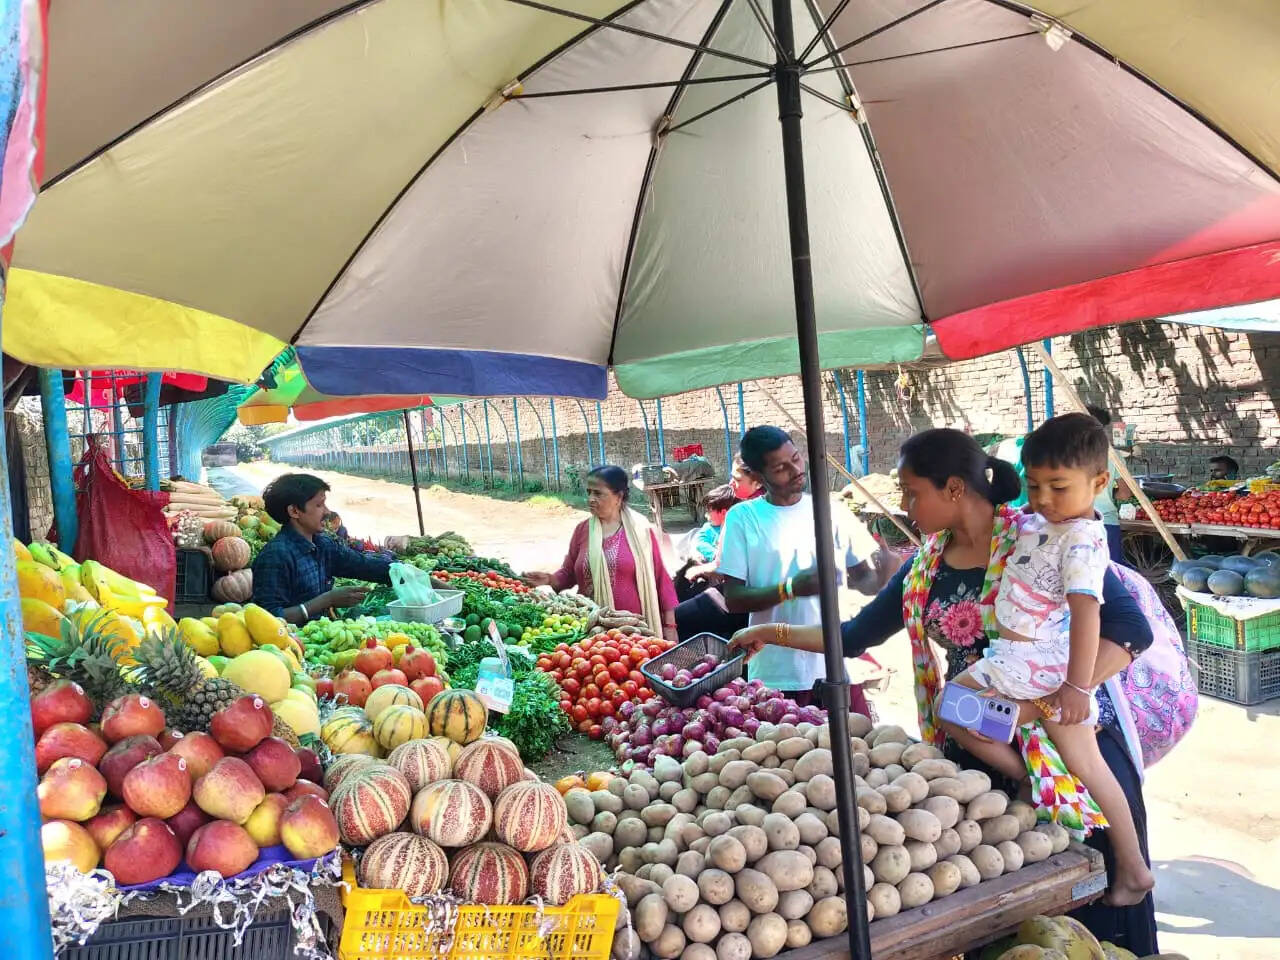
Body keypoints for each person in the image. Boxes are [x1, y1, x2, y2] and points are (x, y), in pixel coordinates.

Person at [728, 428, 1159, 953]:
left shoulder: (1045, 537)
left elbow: (1132, 631)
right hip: (985, 761)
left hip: (1065, 742)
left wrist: (1039, 706)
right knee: (1008, 931)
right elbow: (855, 636)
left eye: (913, 492)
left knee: (1094, 926)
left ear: (954, 489)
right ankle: (1026, 781)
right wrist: (769, 631)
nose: (906, 506)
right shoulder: (922, 568)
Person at [946, 413, 1154, 906]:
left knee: (1087, 765)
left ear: (1099, 483)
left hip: (1041, 661)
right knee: (958, 712)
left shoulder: (1082, 540)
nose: (1042, 499)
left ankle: (1133, 867)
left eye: (1058, 487)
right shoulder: (1041, 522)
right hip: (1015, 656)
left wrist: (1078, 688)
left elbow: (1088, 616)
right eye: (1035, 485)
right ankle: (1028, 773)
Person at [717, 426, 895, 714]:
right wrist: (790, 589)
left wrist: (885, 576)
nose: (796, 470)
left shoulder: (830, 510)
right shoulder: (744, 518)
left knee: (856, 749)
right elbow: (734, 598)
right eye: (780, 468)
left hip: (835, 662)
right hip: (777, 669)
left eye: (796, 458)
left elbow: (865, 582)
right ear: (760, 476)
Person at [524, 465, 679, 643]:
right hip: (592, 632)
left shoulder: (640, 531)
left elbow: (661, 579)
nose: (590, 499)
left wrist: (670, 626)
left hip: (636, 632)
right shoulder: (583, 531)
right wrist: (549, 579)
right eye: (589, 492)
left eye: (598, 493)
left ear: (618, 497)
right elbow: (568, 573)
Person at [252, 473, 390, 623]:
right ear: (294, 511)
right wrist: (327, 600)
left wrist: (400, 572)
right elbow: (267, 619)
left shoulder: (322, 544)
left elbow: (360, 564)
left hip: (323, 636)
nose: (327, 512)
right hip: (292, 643)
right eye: (319, 505)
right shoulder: (275, 557)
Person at [1085, 405, 1125, 564]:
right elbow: (1124, 493)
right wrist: (1108, 492)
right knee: (1112, 574)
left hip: (1078, 524)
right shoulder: (1114, 456)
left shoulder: (1068, 454)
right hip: (1108, 523)